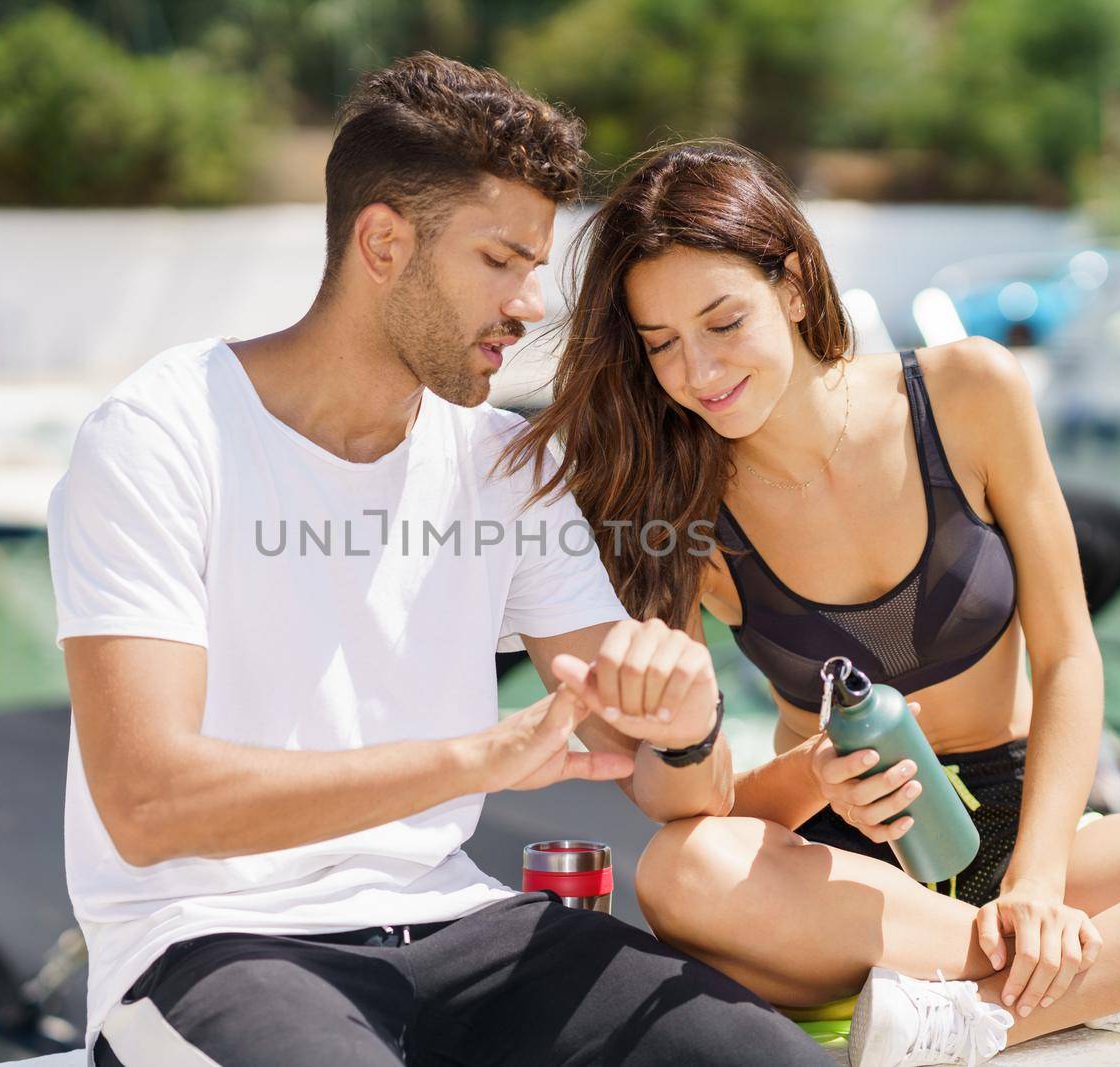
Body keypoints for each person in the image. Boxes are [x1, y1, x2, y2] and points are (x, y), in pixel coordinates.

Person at [46, 62, 827, 1065]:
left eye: (536, 264)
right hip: (209, 943)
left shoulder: (503, 463)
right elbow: (149, 804)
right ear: (384, 242)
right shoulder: (161, 436)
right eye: (501, 259)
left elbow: (667, 780)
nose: (531, 302)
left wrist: (683, 721)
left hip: (460, 923)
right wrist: (478, 756)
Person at [503, 139, 1120, 1066]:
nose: (699, 372)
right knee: (680, 870)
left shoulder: (968, 392)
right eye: (662, 345)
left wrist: (1036, 878)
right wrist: (808, 774)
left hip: (1037, 828)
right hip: (849, 879)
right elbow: (690, 802)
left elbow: (1069, 654)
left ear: (792, 282)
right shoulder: (679, 509)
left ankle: (995, 1009)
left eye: (723, 322)